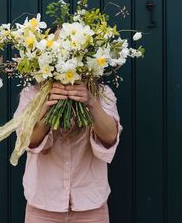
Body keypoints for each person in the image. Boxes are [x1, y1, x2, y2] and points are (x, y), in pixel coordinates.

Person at [13, 81, 123, 223]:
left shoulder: (102, 93)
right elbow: (28, 141)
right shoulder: (31, 94)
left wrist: (91, 102)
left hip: (90, 204)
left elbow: (110, 137)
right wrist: (47, 106)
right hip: (43, 205)